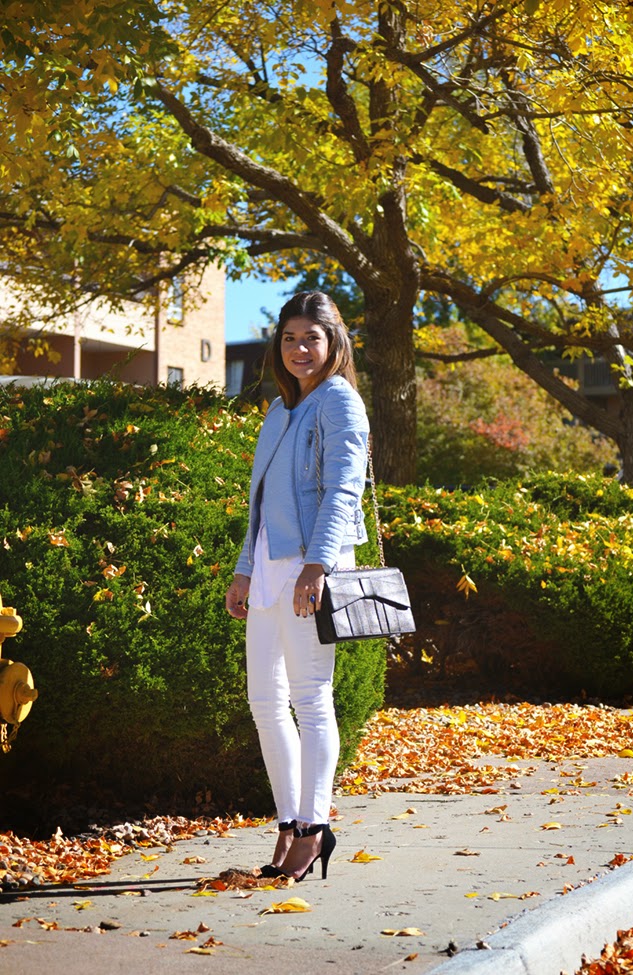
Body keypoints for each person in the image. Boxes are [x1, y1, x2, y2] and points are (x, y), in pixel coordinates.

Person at [225, 291, 369, 882]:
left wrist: (319, 564)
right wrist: (244, 567)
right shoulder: (280, 410)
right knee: (265, 702)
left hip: (311, 567)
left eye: (311, 338)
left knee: (311, 698)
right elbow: (258, 504)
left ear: (334, 343)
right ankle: (287, 821)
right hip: (267, 568)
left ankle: (314, 826)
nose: (299, 349)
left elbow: (342, 491)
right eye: (289, 338)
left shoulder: (340, 402)